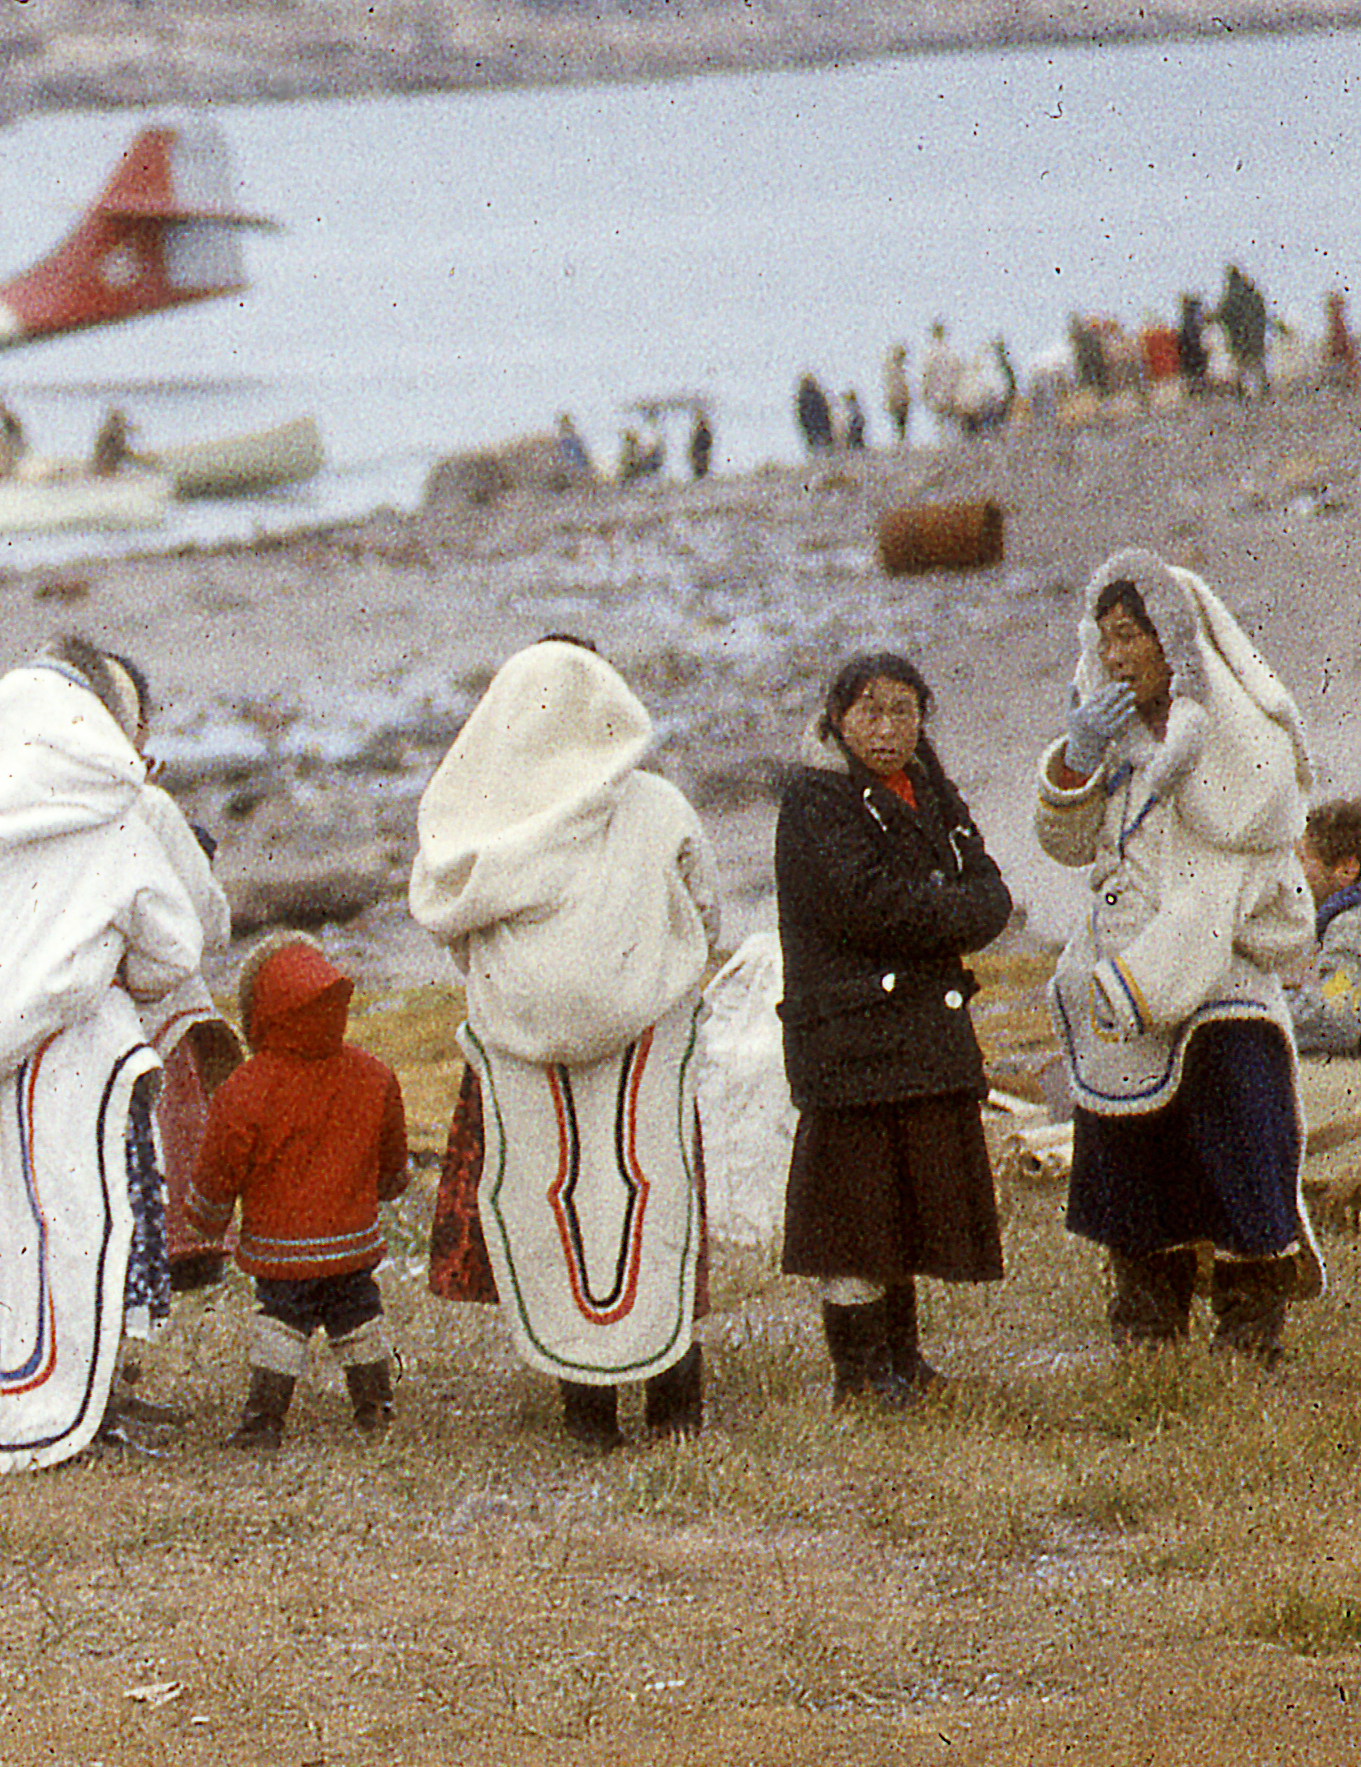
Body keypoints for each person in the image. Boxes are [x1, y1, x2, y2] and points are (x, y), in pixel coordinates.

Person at [0, 637, 222, 1471]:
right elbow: (174, 951)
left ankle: (25, 1401)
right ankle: (81, 1409)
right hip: (77, 1047)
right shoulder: (115, 818)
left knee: (8, 1229)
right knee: (90, 1224)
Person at [410, 640, 732, 1451]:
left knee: (546, 1207)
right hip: (646, 1038)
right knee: (648, 1197)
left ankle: (585, 1412)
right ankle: (674, 1407)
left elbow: (454, 932)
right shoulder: (657, 804)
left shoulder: (479, 830)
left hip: (520, 1050)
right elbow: (706, 908)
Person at [1038, 552, 1323, 1358]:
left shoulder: (1244, 746)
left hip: (1221, 978)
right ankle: (1146, 1318)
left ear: (1175, 637)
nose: (1118, 652)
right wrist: (1074, 760)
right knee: (1129, 1146)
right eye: (1106, 637)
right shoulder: (1113, 740)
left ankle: (1248, 1326)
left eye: (1132, 633)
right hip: (1124, 973)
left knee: (1241, 1134)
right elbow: (1063, 843)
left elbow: (1242, 861)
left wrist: (1164, 964)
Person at [774, 653, 1009, 1407]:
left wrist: (942, 906)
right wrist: (950, 908)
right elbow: (867, 905)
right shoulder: (816, 800)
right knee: (857, 1213)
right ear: (837, 719)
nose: (886, 729)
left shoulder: (927, 784)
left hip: (915, 1039)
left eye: (903, 710)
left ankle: (901, 1361)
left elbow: (993, 894)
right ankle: (858, 1374)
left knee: (904, 1202)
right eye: (869, 712)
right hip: (851, 1043)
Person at [189, 937, 408, 1450]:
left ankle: (265, 1418)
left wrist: (206, 1218)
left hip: (279, 1247)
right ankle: (375, 1406)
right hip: (352, 1241)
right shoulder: (373, 1075)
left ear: (259, 1012)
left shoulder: (244, 1088)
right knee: (358, 1315)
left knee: (281, 1322)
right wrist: (381, 1189)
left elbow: (220, 1166)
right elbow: (391, 1162)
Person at [1292, 801, 1361, 1057]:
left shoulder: (1352, 926)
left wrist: (1264, 1009)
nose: (1292, 873)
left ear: (1347, 868)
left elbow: (1337, 1016)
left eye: (1302, 859)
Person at [1220, 264, 1272, 397]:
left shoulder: (1231, 297)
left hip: (1239, 340)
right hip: (1255, 338)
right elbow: (1262, 315)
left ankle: (1240, 392)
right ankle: (1264, 390)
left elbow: (1222, 315)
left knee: (1241, 366)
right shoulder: (1253, 295)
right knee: (1257, 364)